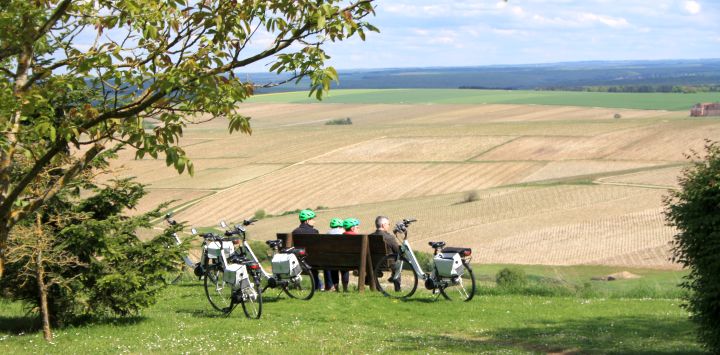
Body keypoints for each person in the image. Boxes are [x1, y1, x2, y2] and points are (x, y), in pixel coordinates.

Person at [291, 209, 323, 291]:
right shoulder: (315, 232)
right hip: (313, 261)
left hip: (298, 261)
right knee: (314, 268)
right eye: (312, 219)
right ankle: (318, 287)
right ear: (307, 221)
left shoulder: (295, 232)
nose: (314, 221)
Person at [369, 216, 401, 291]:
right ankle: (397, 289)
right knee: (398, 264)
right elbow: (397, 251)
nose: (389, 226)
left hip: (372, 263)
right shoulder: (389, 237)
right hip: (387, 263)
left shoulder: (370, 237)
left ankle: (377, 288)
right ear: (383, 225)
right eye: (388, 224)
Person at [338, 218, 361, 291]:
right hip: (356, 262)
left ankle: (345, 288)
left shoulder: (339, 238)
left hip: (342, 261)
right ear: (352, 228)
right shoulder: (358, 238)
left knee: (344, 265)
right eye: (357, 227)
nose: (358, 229)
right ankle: (360, 287)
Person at [324, 218, 345, 291]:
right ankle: (339, 287)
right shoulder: (343, 232)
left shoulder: (327, 233)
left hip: (329, 259)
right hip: (341, 259)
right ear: (340, 226)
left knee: (330, 263)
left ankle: (331, 287)